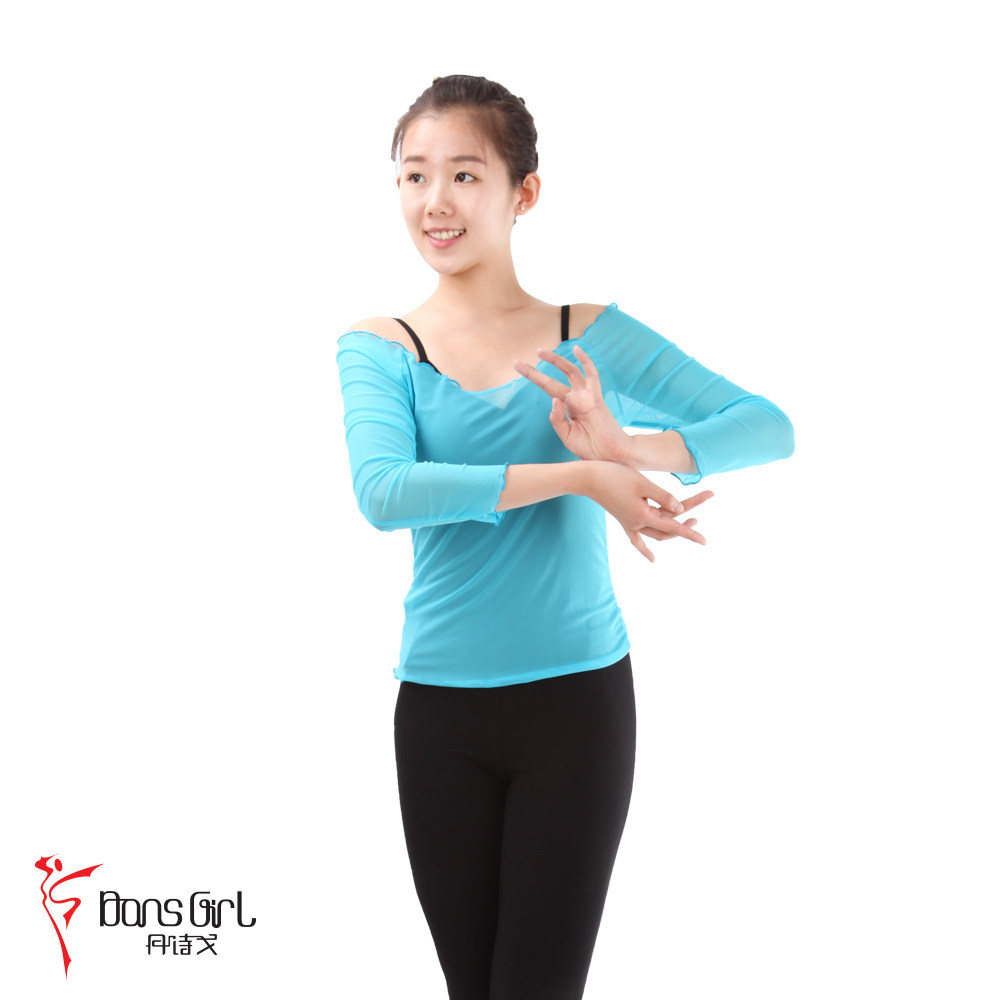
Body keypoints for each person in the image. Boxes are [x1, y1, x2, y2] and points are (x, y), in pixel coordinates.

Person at [336, 74, 794, 1000]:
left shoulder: (589, 337)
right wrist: (583, 476)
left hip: (575, 709)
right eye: (413, 175)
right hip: (438, 715)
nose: (434, 201)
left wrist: (630, 447)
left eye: (465, 174)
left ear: (524, 192)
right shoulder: (379, 346)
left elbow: (768, 425)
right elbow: (385, 493)